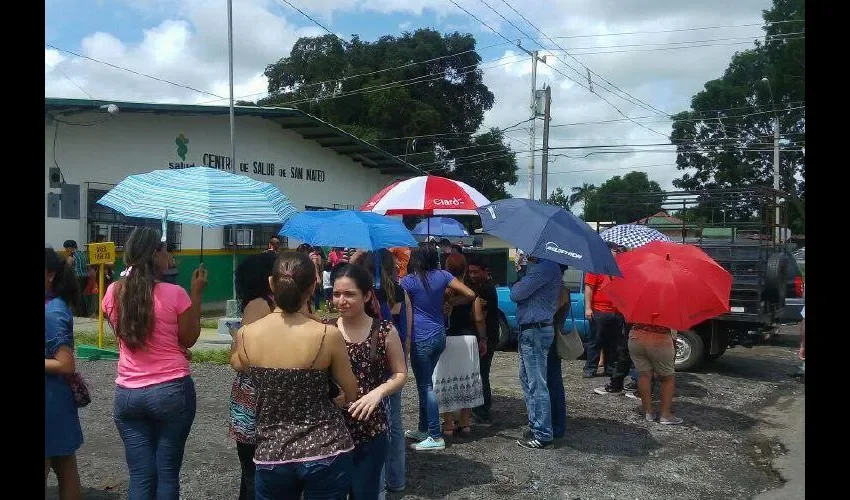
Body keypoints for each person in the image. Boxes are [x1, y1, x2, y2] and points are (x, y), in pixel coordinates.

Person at [231, 251, 360, 499]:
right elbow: (351, 390)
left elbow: (238, 363)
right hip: (326, 446)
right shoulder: (326, 334)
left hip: (271, 449)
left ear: (272, 283)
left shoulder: (247, 335)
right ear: (313, 286)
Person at [101, 227, 208, 499]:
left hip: (127, 394)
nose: (169, 254)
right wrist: (197, 293)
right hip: (170, 391)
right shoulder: (175, 294)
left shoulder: (113, 292)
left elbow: (127, 335)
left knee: (140, 476)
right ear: (155, 255)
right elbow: (189, 339)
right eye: (164, 249)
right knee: (167, 474)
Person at [331, 263, 408, 499]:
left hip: (370, 427)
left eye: (349, 294)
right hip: (331, 430)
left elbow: (400, 374)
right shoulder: (325, 330)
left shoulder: (384, 331)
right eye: (336, 294)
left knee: (364, 492)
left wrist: (378, 393)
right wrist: (331, 390)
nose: (341, 300)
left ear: (366, 296)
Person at [401, 245, 476, 451]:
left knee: (425, 387)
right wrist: (451, 301)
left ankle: (435, 435)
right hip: (439, 335)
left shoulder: (408, 281)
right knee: (425, 385)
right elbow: (470, 294)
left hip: (420, 336)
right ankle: (423, 429)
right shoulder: (443, 275)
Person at [359, 250, 412, 494]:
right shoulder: (401, 293)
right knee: (395, 423)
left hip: (370, 364)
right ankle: (397, 479)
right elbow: (407, 333)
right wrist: (404, 360)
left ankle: (376, 483)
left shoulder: (366, 296)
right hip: (395, 363)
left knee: (372, 424)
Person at [229, 252, 277, 500]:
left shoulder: (261, 304)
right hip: (261, 396)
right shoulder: (266, 304)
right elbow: (244, 356)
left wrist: (237, 338)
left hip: (256, 395)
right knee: (256, 471)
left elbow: (241, 358)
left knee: (253, 470)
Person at [511, 255, 562, 449]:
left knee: (536, 383)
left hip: (535, 330)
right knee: (528, 380)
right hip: (533, 329)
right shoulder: (547, 267)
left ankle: (542, 432)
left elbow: (516, 294)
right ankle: (536, 426)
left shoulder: (545, 267)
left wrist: (522, 275)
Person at [45, 248, 83, 500]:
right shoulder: (53, 306)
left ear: (49, 275)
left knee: (61, 461)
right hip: (55, 398)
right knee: (64, 461)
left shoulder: (52, 311)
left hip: (51, 399)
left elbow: (66, 363)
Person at [433, 253, 485, 437]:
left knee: (444, 380)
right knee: (467, 379)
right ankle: (465, 422)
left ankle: (448, 424)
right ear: (465, 269)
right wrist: (483, 338)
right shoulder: (471, 290)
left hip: (446, 338)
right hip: (468, 339)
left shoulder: (441, 290)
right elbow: (478, 317)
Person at [583, 244, 625, 378]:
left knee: (614, 343)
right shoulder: (597, 267)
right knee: (595, 341)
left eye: (620, 250)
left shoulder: (621, 268)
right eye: (615, 250)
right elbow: (589, 288)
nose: (618, 252)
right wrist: (588, 308)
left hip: (617, 312)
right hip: (599, 310)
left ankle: (610, 368)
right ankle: (590, 368)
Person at [467, 255, 500, 423]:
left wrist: (483, 339)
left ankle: (483, 410)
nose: (472, 275)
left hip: (487, 336)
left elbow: (480, 316)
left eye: (475, 272)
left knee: (482, 373)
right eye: (470, 272)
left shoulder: (486, 288)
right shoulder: (478, 285)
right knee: (479, 372)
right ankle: (479, 407)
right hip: (483, 336)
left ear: (485, 271)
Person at [629, 323, 682, 425]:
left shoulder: (641, 306)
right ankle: (665, 415)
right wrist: (673, 343)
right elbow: (673, 330)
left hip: (636, 336)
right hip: (660, 338)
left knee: (644, 375)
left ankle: (648, 412)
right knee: (667, 378)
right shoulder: (670, 307)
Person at [548, 281, 570, 440]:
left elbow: (550, 313)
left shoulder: (561, 291)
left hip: (553, 338)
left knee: (553, 382)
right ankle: (555, 423)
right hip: (552, 337)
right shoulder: (560, 289)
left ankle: (557, 425)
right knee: (551, 381)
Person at [63, 240, 90, 317]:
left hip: (77, 277)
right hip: (86, 277)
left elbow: (67, 268)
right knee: (81, 295)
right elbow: (88, 266)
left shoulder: (71, 256)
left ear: (70, 248)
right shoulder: (83, 254)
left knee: (76, 296)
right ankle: (84, 313)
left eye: (66, 248)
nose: (66, 250)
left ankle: (79, 314)